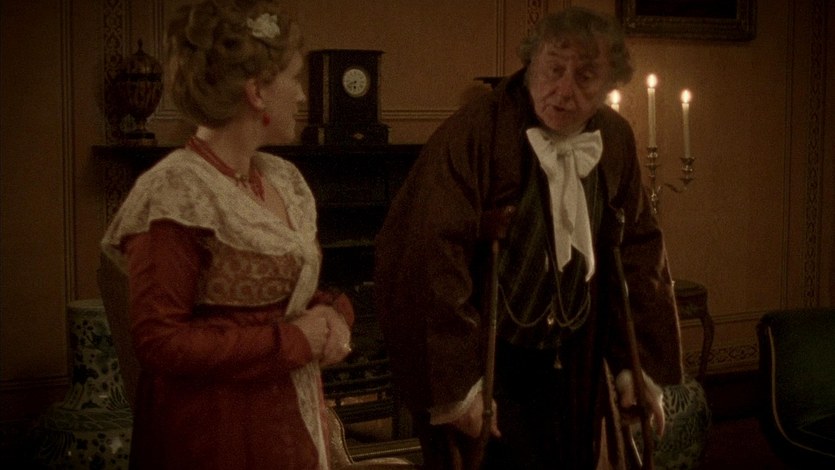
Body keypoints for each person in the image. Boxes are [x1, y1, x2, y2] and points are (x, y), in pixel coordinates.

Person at [374, 7, 683, 469]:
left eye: (585, 77)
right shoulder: (477, 130)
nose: (564, 91)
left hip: (573, 360)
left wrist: (635, 367)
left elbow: (639, 252)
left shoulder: (615, 138)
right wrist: (460, 386)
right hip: (490, 359)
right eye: (553, 70)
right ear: (530, 63)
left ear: (609, 84)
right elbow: (429, 252)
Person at [100, 1, 353, 468]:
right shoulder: (177, 191)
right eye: (294, 78)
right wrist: (294, 340)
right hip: (216, 433)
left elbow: (286, 296)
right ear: (256, 91)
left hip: (288, 420)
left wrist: (331, 314)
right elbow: (160, 342)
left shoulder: (282, 179)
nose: (301, 95)